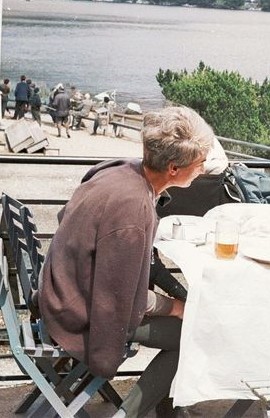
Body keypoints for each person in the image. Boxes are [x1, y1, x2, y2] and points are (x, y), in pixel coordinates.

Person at [38, 106, 214, 418]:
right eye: (200, 163)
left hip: (61, 290)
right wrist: (175, 306)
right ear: (174, 168)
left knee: (188, 320)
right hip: (76, 312)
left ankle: (167, 405)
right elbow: (123, 302)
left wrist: (179, 298)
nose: (203, 169)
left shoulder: (121, 171)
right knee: (194, 336)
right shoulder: (132, 208)